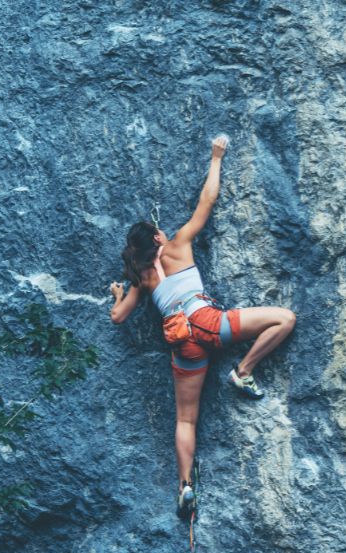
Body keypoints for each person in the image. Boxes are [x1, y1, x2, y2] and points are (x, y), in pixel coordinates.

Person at [109, 135, 296, 517]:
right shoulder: (178, 244)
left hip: (184, 346)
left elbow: (119, 317)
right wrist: (216, 157)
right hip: (209, 324)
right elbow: (206, 202)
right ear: (158, 238)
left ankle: (185, 486)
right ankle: (243, 371)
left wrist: (117, 294)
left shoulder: (141, 279)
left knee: (184, 418)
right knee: (285, 318)